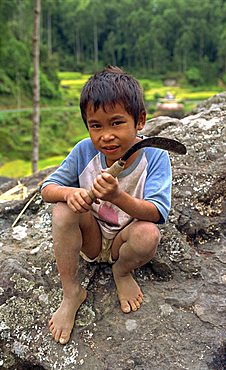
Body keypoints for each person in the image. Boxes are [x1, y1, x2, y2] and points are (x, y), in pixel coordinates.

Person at [41, 65, 172, 345]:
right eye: (95, 126)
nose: (106, 136)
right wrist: (68, 194)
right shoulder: (83, 151)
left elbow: (157, 212)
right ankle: (71, 292)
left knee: (148, 234)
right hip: (91, 237)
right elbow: (47, 189)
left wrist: (117, 197)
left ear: (140, 121)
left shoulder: (155, 156)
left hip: (123, 241)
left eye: (116, 123)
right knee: (63, 211)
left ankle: (121, 271)